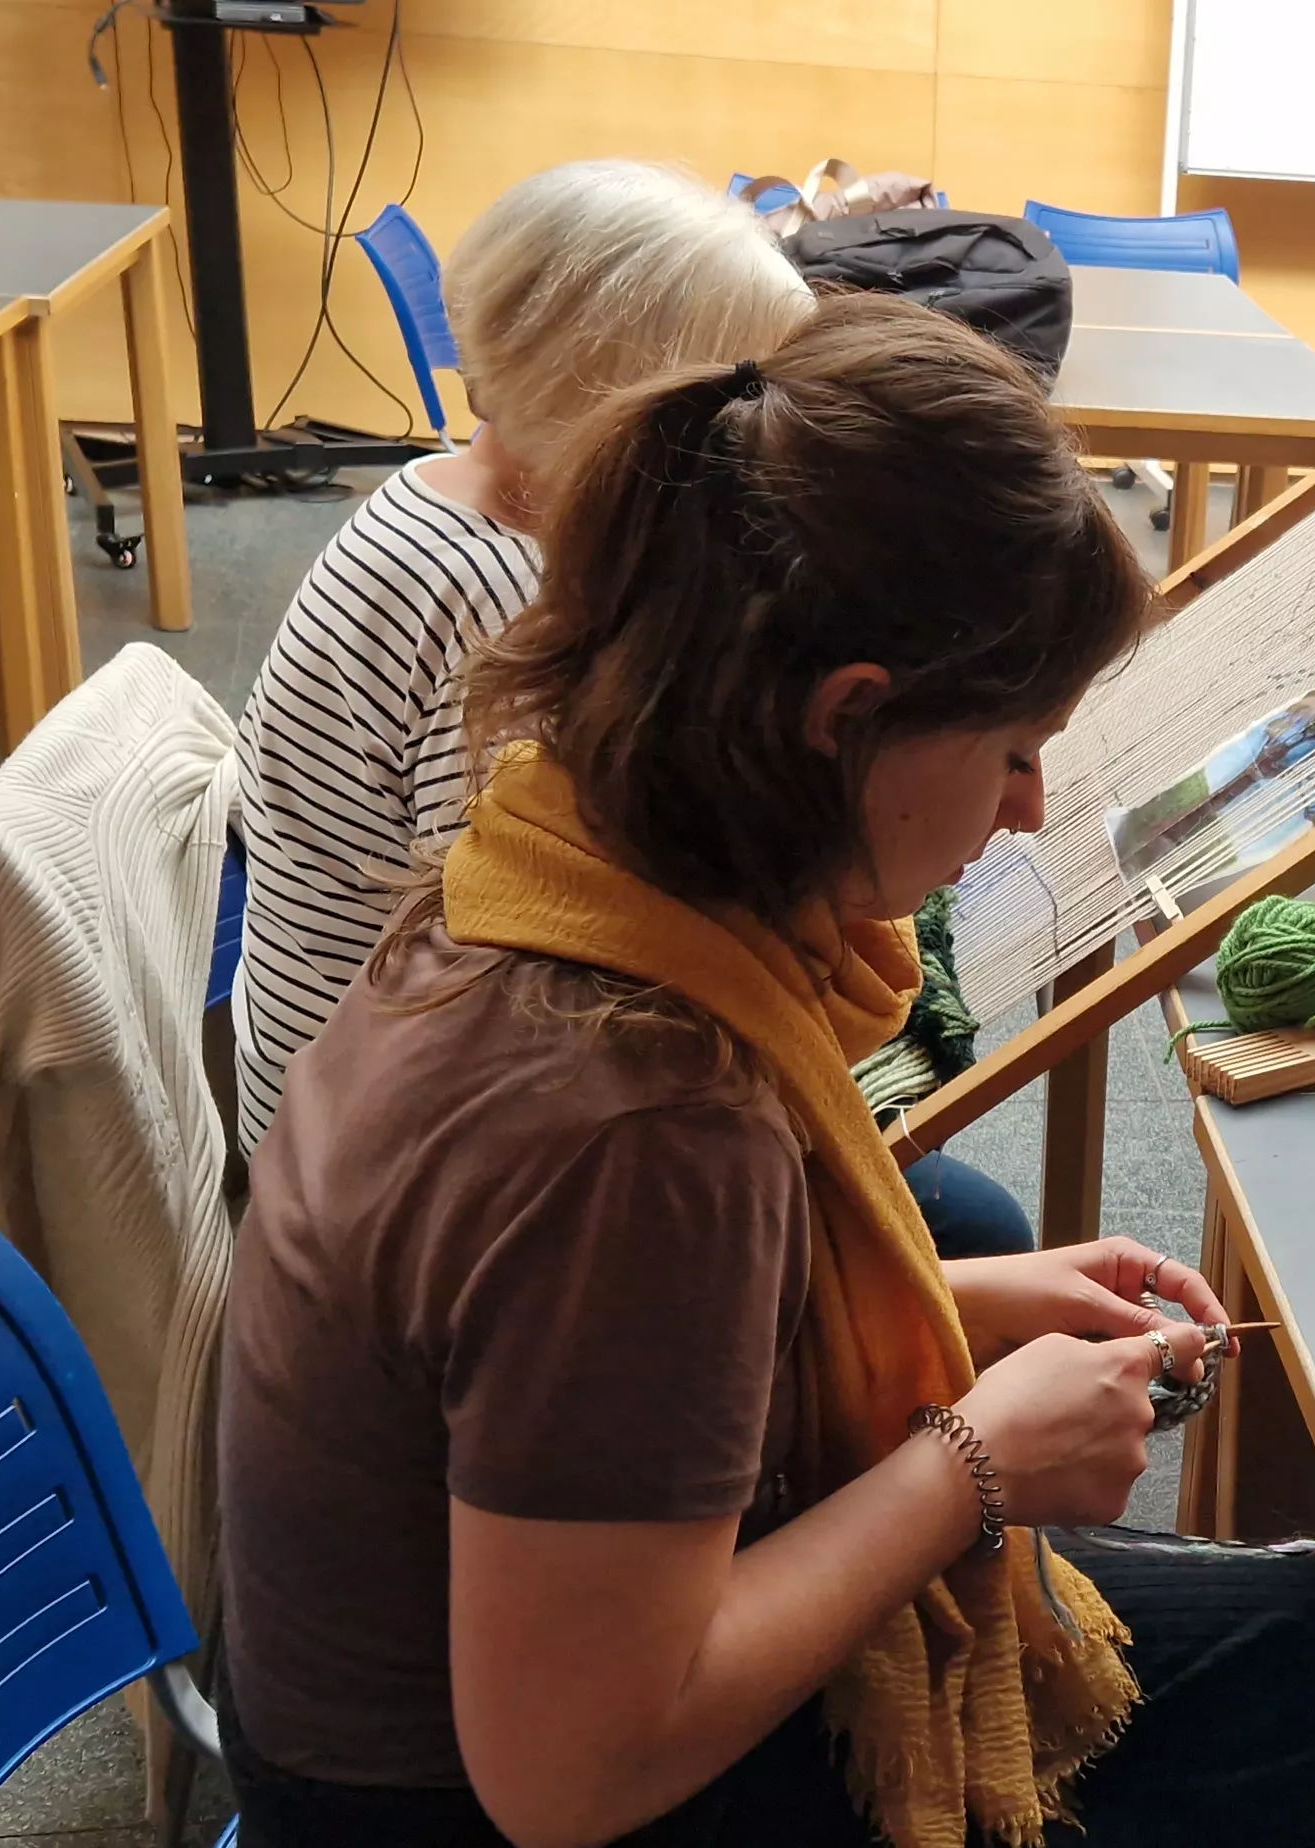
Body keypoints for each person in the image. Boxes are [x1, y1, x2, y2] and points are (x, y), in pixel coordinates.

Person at [215, 294, 1315, 1848]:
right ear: (848, 719)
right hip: (450, 1811)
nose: (1026, 807)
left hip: (448, 1713)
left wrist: (935, 1309)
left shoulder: (568, 849)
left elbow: (568, 1374)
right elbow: (570, 1774)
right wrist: (972, 1465)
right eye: (1013, 747)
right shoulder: (643, 1123)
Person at [226, 160, 1034, 1256]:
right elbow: (526, 935)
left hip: (342, 1076)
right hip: (389, 1160)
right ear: (631, 417)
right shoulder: (508, 600)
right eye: (734, 411)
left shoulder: (442, 493)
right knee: (960, 1223)